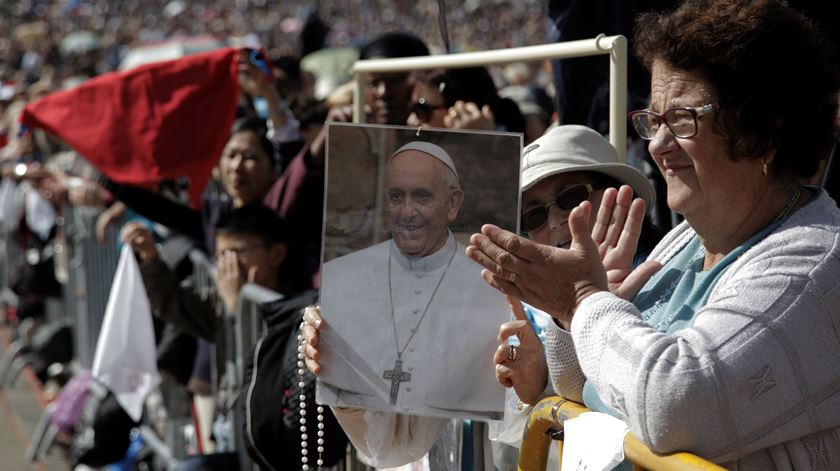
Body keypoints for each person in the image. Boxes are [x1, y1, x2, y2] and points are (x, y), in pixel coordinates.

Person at [467, 0, 840, 468]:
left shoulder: (814, 264)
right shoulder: (685, 243)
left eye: (683, 119)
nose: (658, 146)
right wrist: (570, 322)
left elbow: (673, 405)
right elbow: (589, 389)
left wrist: (583, 300)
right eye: (654, 121)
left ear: (764, 129)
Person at [306, 141, 511, 467]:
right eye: (396, 196)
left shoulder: (489, 286)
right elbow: (387, 448)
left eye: (423, 196)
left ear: (453, 204)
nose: (407, 211)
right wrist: (341, 372)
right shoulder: (352, 279)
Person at [122, 204, 347, 470]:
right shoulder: (222, 302)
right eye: (221, 256)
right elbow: (176, 304)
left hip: (277, 446)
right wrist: (150, 257)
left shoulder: (300, 311)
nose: (228, 266)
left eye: (237, 253)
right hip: (235, 437)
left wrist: (238, 310)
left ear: (276, 254)